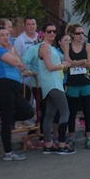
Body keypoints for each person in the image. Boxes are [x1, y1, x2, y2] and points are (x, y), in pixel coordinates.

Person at [0, 26, 34, 160]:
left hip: (14, 86)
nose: (5, 38)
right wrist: (11, 50)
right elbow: (16, 61)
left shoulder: (9, 49)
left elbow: (20, 62)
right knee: (8, 120)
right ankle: (8, 152)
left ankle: (2, 120)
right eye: (2, 35)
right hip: (4, 85)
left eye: (7, 35)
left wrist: (12, 51)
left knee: (28, 112)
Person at [30, 23, 74, 154]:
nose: (52, 33)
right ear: (43, 32)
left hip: (51, 84)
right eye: (49, 31)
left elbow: (67, 62)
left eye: (54, 31)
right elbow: (50, 66)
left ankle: (48, 144)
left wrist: (65, 51)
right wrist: (61, 66)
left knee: (49, 114)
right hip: (53, 83)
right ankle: (61, 144)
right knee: (65, 112)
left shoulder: (52, 48)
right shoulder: (44, 47)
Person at [63, 24, 90, 149]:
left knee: (88, 111)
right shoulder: (67, 46)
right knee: (72, 111)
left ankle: (88, 138)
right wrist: (81, 62)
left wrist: (74, 63)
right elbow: (67, 62)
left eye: (82, 33)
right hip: (72, 83)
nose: (81, 36)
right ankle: (71, 137)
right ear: (72, 34)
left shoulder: (87, 46)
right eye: (78, 33)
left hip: (86, 82)